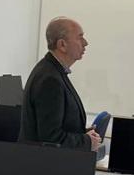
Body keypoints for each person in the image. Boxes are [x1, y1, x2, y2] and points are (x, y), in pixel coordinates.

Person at [21, 17, 100, 151]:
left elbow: (57, 125)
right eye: (80, 37)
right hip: (43, 162)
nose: (85, 43)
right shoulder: (50, 79)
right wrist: (86, 141)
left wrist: (82, 133)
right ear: (62, 45)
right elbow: (50, 138)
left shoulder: (54, 72)